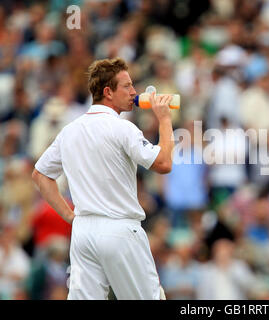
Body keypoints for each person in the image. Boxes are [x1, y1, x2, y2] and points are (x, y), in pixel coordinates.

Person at [31, 57, 174, 300]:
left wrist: (69, 216)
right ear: (108, 92)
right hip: (119, 230)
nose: (134, 92)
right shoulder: (122, 128)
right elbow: (164, 163)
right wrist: (165, 119)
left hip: (83, 232)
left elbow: (40, 175)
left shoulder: (70, 130)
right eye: (127, 86)